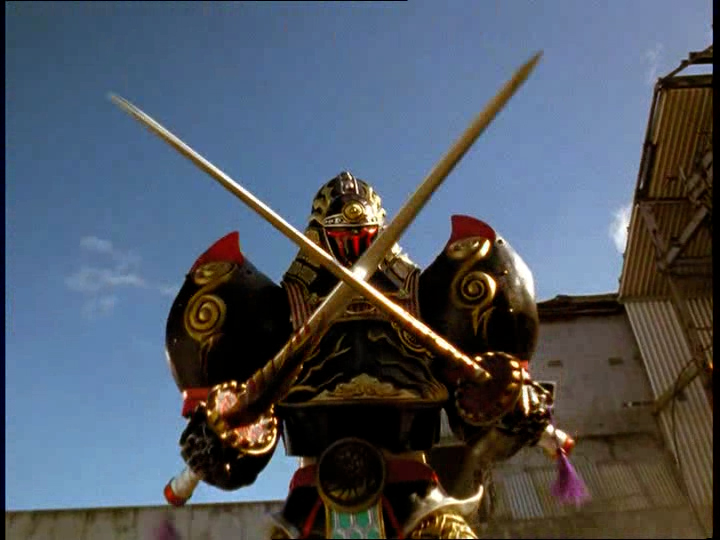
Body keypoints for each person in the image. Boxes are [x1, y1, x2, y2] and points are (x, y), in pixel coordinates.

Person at [165, 171, 577, 539]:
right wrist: (217, 436)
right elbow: (243, 446)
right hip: (311, 505)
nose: (352, 247)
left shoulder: (427, 303)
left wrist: (509, 405)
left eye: (361, 238)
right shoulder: (278, 314)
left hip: (418, 501)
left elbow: (476, 424)